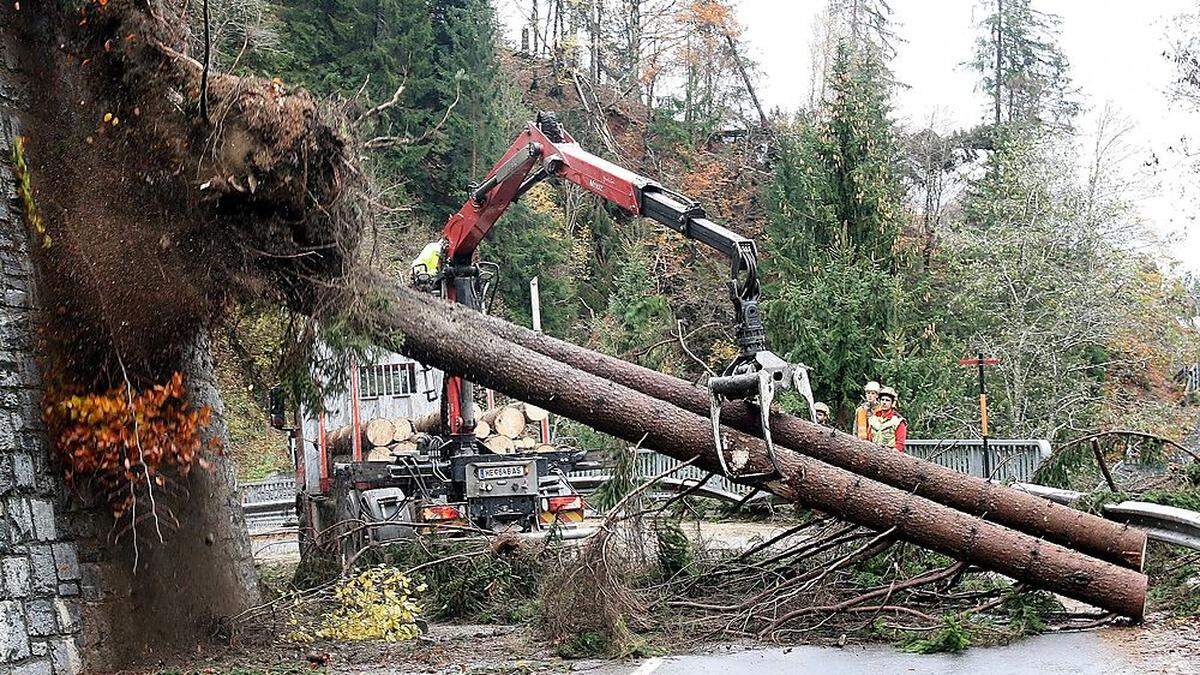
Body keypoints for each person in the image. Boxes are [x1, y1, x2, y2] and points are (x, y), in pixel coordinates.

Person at [869, 386, 907, 453]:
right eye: (882, 400)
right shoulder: (873, 419)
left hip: (891, 455)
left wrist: (892, 455)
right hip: (874, 454)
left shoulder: (898, 421)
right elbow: (869, 438)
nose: (884, 402)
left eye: (887, 400)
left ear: (892, 403)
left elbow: (900, 444)